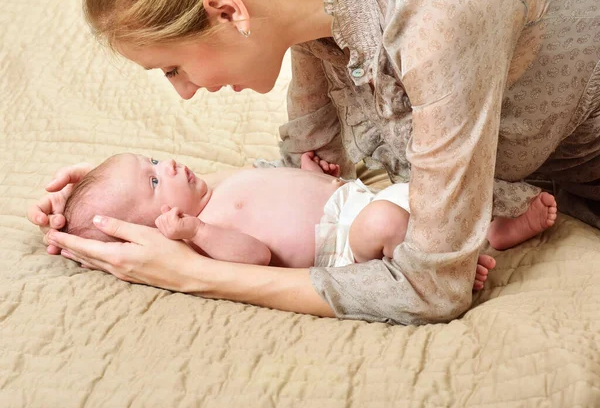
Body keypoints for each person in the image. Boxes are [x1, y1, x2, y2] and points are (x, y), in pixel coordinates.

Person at [28, 0, 599, 325]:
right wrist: (110, 198)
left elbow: (432, 288)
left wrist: (195, 274)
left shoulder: (444, 7)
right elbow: (305, 166)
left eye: (173, 67)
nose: (183, 91)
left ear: (227, 12)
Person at [59, 151, 557, 290]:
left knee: (428, 192)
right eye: (152, 183)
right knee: (387, 222)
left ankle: (491, 230)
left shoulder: (218, 184)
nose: (165, 166)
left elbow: (275, 192)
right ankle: (447, 262)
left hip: (354, 197)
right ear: (158, 226)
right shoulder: (200, 238)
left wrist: (306, 174)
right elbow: (256, 256)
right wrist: (197, 233)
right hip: (345, 242)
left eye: (151, 160)